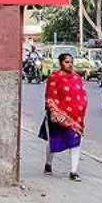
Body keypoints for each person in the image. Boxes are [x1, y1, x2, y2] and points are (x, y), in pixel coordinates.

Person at [41, 52, 88, 180]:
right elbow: (50, 96)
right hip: (58, 115)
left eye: (71, 62)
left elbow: (82, 96)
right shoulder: (54, 77)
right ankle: (48, 163)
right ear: (60, 63)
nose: (70, 64)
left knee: (75, 142)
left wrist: (80, 110)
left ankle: (73, 171)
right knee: (54, 141)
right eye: (67, 62)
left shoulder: (77, 78)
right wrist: (54, 112)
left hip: (76, 118)